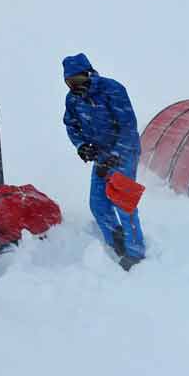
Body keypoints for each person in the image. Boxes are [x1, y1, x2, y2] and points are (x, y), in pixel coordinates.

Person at [62, 53, 145, 271]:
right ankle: (117, 239)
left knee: (123, 203)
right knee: (98, 203)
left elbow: (128, 126)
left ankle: (135, 252)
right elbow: (71, 125)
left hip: (124, 153)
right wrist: (81, 145)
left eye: (77, 80)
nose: (74, 86)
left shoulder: (112, 90)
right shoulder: (72, 99)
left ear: (89, 73)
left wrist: (116, 155)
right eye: (69, 82)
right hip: (101, 156)